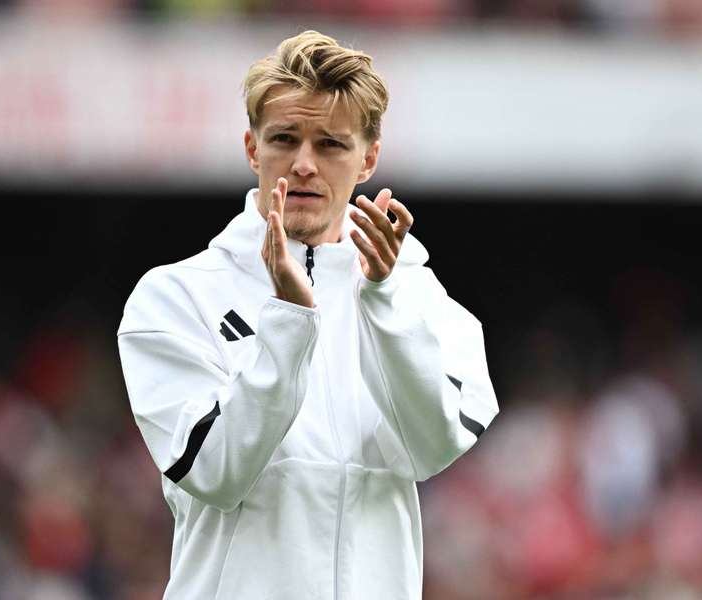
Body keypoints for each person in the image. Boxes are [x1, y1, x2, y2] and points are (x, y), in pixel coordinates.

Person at [117, 30, 499, 600]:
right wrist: (288, 320)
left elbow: (431, 448)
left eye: (330, 144)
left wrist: (383, 300)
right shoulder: (172, 297)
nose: (302, 164)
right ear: (252, 148)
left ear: (368, 158)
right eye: (284, 139)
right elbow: (216, 474)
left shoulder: (421, 300)